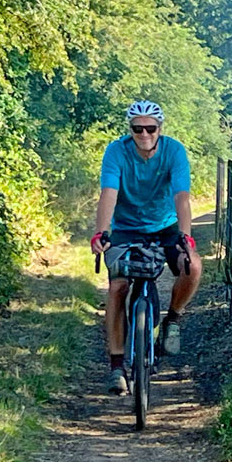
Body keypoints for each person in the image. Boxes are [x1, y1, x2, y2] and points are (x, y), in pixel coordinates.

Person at [90, 100, 203, 394]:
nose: (144, 134)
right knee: (117, 287)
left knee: (193, 266)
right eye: (137, 129)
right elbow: (108, 193)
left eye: (150, 128)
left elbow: (181, 196)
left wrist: (186, 235)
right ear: (130, 130)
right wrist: (101, 232)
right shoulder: (117, 151)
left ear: (159, 129)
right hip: (126, 227)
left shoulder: (174, 151)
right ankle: (117, 366)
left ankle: (173, 319)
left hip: (166, 226)